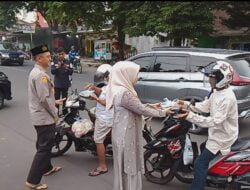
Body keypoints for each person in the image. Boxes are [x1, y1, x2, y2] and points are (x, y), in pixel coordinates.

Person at [105, 61, 173, 190]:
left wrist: (151, 105)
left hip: (121, 133)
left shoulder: (120, 89)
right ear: (126, 75)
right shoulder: (125, 93)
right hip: (126, 135)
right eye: (135, 74)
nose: (137, 77)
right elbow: (141, 110)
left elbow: (135, 106)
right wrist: (163, 112)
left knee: (125, 167)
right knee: (128, 167)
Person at [175, 61, 239, 190]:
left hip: (222, 137)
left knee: (200, 164)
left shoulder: (227, 98)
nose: (210, 80)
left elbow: (214, 121)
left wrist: (189, 116)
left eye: (212, 77)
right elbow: (205, 106)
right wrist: (186, 104)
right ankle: (207, 174)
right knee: (203, 148)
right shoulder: (217, 92)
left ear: (221, 79)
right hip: (216, 133)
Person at [25, 45, 64, 190]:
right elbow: (43, 99)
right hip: (44, 118)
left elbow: (43, 97)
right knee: (44, 148)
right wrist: (55, 114)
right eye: (47, 57)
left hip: (39, 115)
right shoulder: (40, 75)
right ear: (39, 58)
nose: (50, 59)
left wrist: (55, 101)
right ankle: (32, 182)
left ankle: (47, 168)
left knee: (44, 143)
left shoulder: (36, 72)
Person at [84, 64, 113, 176]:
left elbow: (108, 103)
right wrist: (94, 88)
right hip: (106, 117)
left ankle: (102, 166)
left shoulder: (113, 88)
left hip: (105, 118)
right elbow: (102, 92)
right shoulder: (110, 85)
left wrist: (95, 98)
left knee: (98, 140)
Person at [51, 47, 73, 115]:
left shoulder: (68, 62)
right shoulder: (54, 62)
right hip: (57, 84)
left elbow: (71, 72)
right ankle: (56, 114)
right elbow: (52, 72)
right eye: (59, 54)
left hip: (65, 84)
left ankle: (64, 114)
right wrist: (58, 67)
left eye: (62, 54)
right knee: (57, 100)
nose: (61, 55)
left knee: (65, 100)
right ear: (57, 54)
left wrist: (67, 68)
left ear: (64, 54)